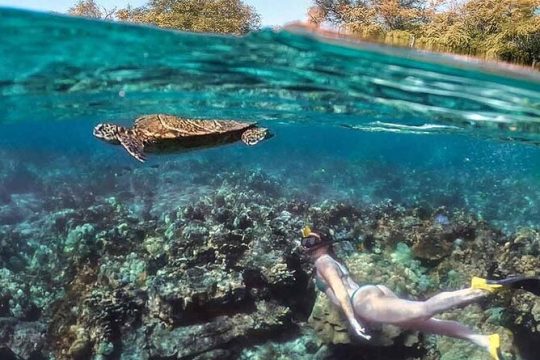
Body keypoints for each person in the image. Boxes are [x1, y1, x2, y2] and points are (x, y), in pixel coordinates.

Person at [301, 226, 540, 360]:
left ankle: (481, 287)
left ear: (324, 244)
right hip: (369, 296)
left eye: (311, 242)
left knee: (424, 309)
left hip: (363, 303)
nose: (307, 247)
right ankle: (484, 341)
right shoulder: (328, 258)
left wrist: (353, 320)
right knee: (428, 324)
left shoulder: (323, 262)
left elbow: (341, 293)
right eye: (305, 242)